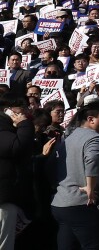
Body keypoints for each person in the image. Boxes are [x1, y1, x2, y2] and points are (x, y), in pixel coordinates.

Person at [50, 103, 99, 250]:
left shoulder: (68, 139)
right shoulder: (94, 138)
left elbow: (51, 165)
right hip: (83, 203)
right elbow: (93, 158)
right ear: (91, 119)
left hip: (61, 203)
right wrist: (90, 187)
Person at [0, 94, 33, 250]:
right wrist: (25, 125)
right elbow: (16, 147)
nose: (21, 115)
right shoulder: (2, 129)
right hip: (3, 199)